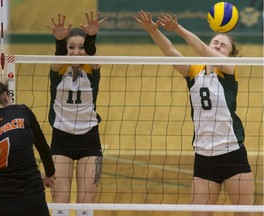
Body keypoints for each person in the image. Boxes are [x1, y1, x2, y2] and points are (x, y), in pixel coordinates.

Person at [135, 11, 255, 216]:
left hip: (232, 154)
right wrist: (152, 31)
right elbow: (170, 51)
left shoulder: (229, 69)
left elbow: (201, 48)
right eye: (214, 42)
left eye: (222, 45)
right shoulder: (194, 72)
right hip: (204, 156)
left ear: (229, 55)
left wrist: (178, 29)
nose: (216, 46)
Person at [46, 11, 106, 216]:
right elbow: (57, 60)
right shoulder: (58, 71)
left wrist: (92, 39)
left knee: (85, 205)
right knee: (60, 203)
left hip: (89, 139)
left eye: (81, 48)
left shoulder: (91, 69)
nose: (76, 52)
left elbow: (94, 58)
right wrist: (60, 41)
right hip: (60, 139)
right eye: (71, 48)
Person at [0, 65, 56, 216]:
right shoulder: (21, 111)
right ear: (6, 95)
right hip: (31, 194)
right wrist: (49, 173)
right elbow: (43, 146)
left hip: (0, 199)